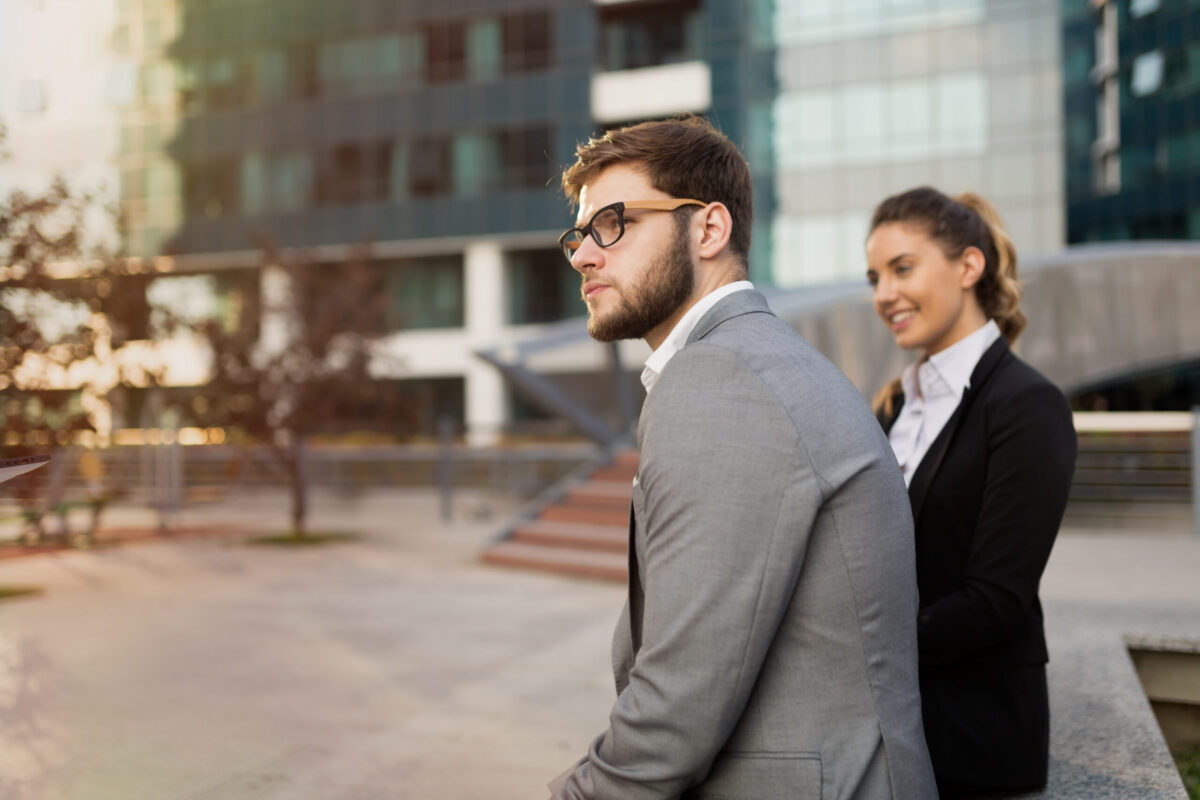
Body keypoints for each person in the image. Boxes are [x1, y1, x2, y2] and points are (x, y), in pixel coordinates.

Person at [548, 115, 936, 799]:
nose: (584, 254)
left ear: (709, 229)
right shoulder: (749, 362)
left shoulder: (724, 378)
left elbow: (677, 704)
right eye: (580, 234)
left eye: (614, 223)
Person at [865, 187, 1077, 798]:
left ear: (968, 266)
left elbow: (995, 601)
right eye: (875, 275)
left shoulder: (1027, 406)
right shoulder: (895, 403)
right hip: (893, 730)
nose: (884, 294)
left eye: (903, 268)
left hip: (973, 739)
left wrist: (856, 648)